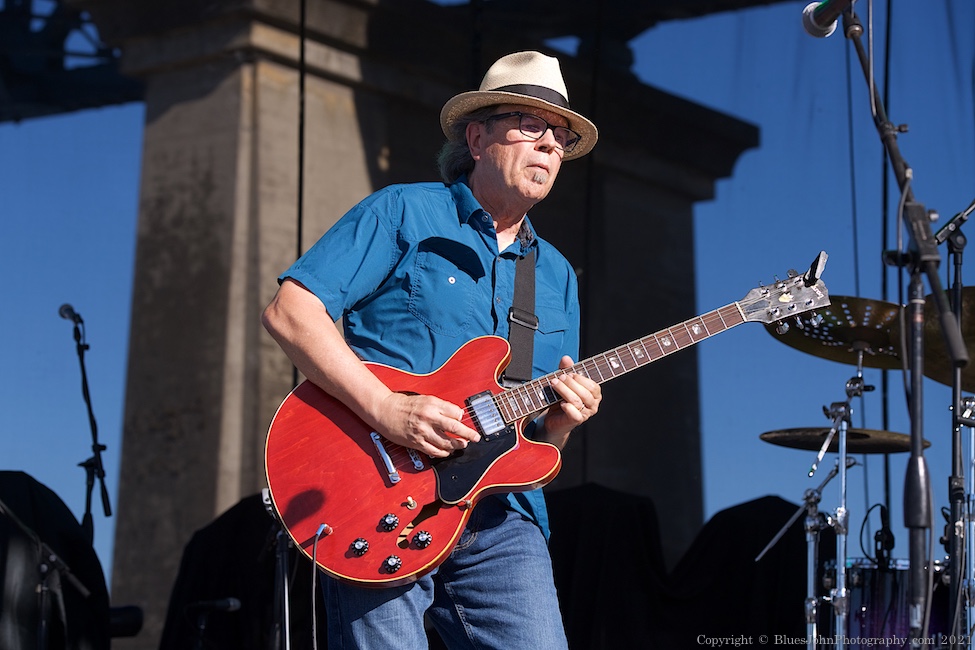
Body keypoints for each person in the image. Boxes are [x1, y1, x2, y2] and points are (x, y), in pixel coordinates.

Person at [262, 50, 602, 649]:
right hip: (376, 490)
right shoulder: (403, 212)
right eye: (530, 124)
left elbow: (537, 445)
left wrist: (564, 423)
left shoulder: (558, 277)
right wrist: (388, 410)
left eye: (561, 134)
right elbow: (292, 311)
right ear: (477, 137)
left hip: (502, 519)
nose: (550, 143)